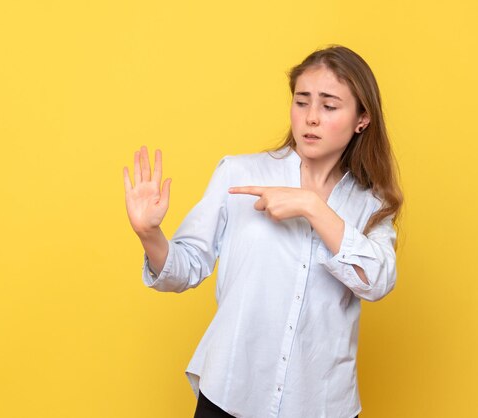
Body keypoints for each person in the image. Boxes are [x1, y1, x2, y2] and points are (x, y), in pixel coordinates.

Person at [122, 45, 402, 418]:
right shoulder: (239, 175)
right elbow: (185, 267)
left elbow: (378, 281)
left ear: (362, 118)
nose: (311, 118)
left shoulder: (371, 204)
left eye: (329, 106)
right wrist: (149, 234)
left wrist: (311, 206)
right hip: (232, 392)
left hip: (320, 404)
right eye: (302, 102)